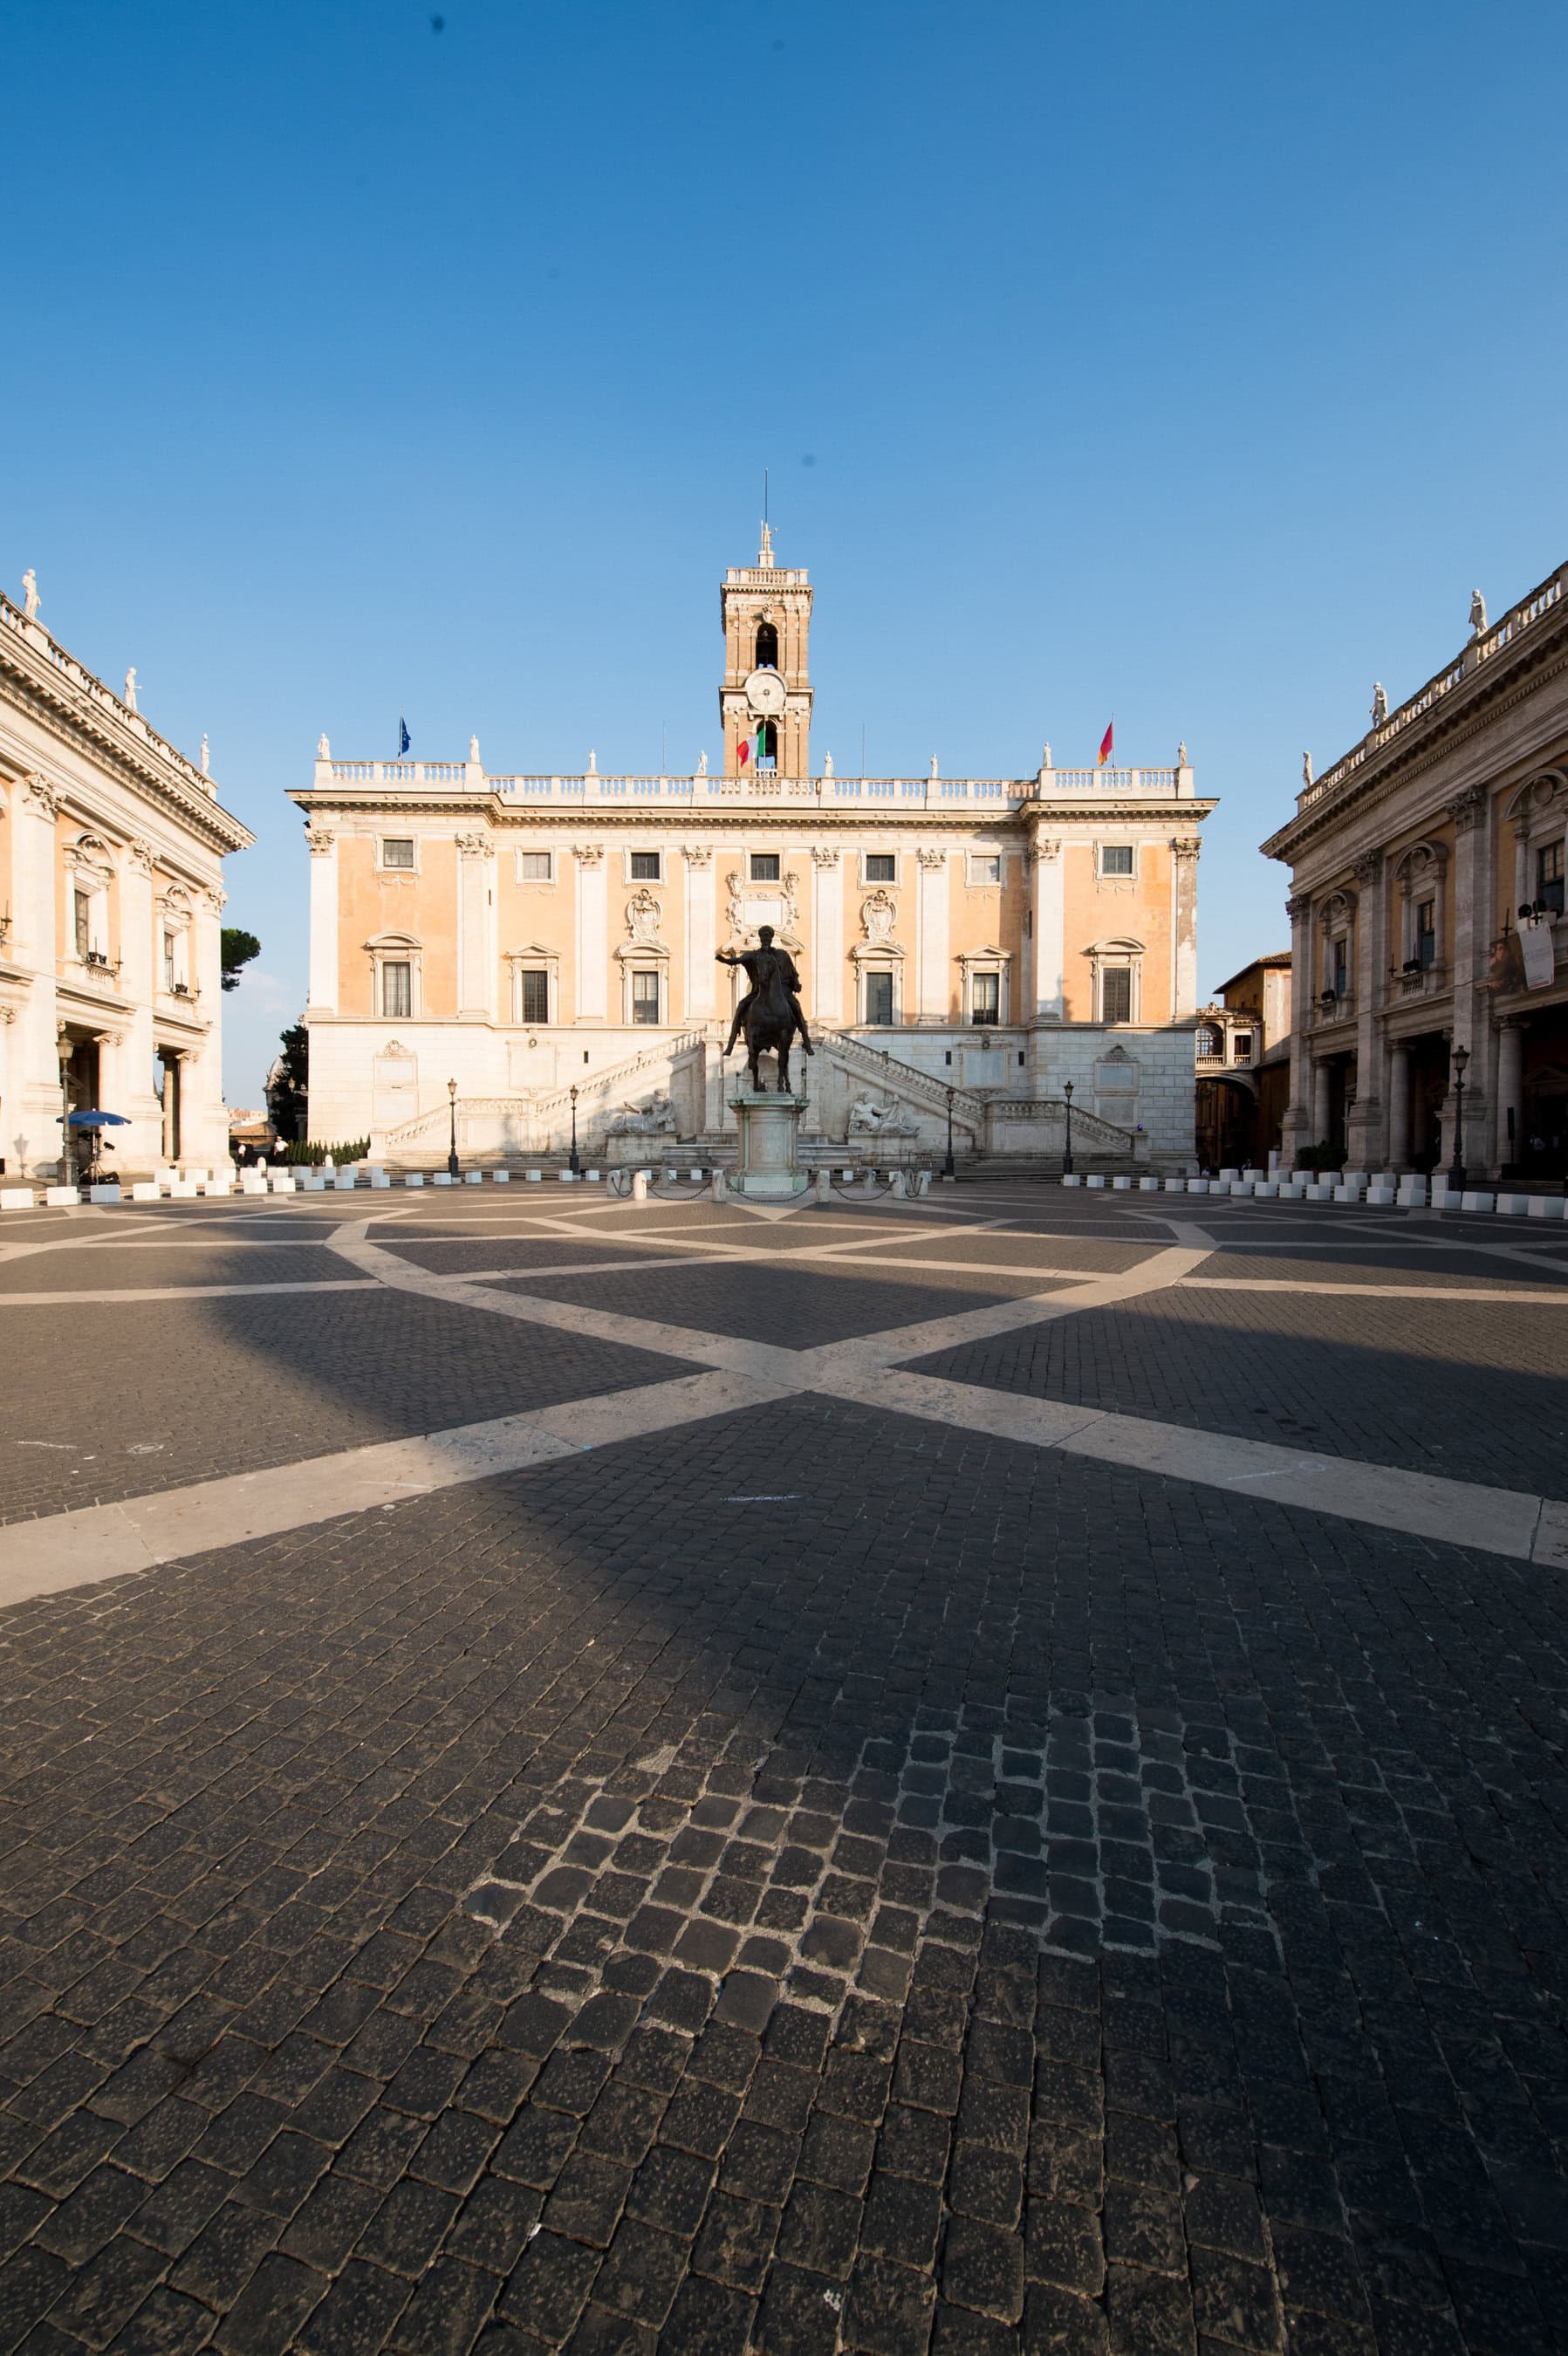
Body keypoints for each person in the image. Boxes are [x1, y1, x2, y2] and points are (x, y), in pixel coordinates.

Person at [717, 925, 812, 1059]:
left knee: (796, 1007)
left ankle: (806, 1041)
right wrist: (724, 960)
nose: (765, 938)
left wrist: (796, 984)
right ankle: (731, 1043)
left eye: (768, 935)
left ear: (771, 937)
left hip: (782, 990)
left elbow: (792, 972)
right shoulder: (754, 955)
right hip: (758, 989)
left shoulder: (782, 954)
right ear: (760, 938)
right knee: (741, 1007)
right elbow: (738, 960)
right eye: (763, 936)